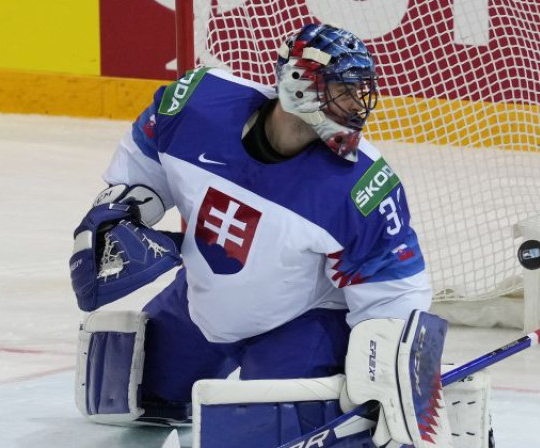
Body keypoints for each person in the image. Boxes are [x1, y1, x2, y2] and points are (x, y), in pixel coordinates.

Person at [69, 23, 453, 446]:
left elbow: (396, 293)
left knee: (262, 437)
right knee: (135, 395)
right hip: (202, 300)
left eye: (358, 91)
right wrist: (127, 210)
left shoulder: (362, 186)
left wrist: (387, 371)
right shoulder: (198, 104)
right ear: (298, 86)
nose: (355, 104)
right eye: (342, 90)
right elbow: (143, 168)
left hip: (300, 322)